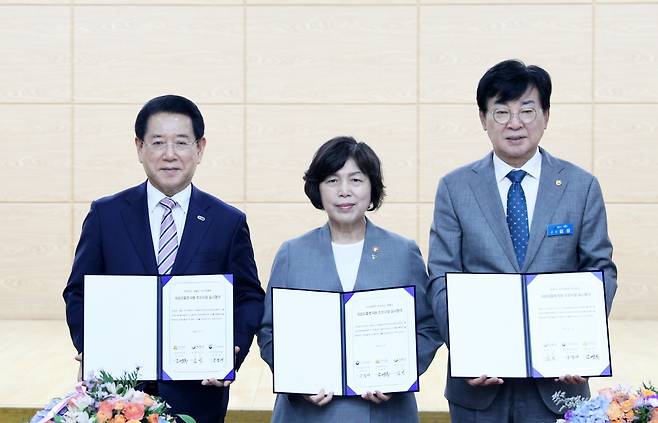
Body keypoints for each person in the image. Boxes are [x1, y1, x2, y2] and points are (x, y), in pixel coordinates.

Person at [427, 59, 618, 422]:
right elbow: (441, 278)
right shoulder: (454, 188)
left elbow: (600, 271)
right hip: (478, 386)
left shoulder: (581, 187)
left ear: (546, 116)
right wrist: (467, 350)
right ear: (483, 119)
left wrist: (583, 344)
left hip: (559, 385)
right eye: (501, 112)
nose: (515, 123)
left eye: (527, 110)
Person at [62, 95, 265, 423]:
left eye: (181, 142)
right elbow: (78, 292)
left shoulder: (227, 221)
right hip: (119, 393)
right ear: (140, 147)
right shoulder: (106, 215)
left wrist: (233, 351)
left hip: (198, 392)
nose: (169, 154)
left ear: (199, 148)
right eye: (158, 142)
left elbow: (248, 296)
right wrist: (93, 347)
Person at [257, 136, 443, 423]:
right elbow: (269, 332)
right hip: (308, 412)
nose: (344, 191)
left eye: (356, 180)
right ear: (317, 189)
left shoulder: (402, 252)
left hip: (385, 412)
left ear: (372, 188)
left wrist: (400, 375)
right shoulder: (292, 253)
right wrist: (297, 380)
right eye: (332, 181)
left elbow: (429, 327)